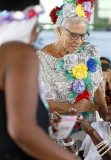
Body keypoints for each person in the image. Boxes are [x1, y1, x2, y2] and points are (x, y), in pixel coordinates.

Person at [0, 0, 76, 159]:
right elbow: (22, 131)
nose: (35, 34)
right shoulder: (19, 52)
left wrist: (41, 124)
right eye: (35, 26)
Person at [36, 1, 107, 140]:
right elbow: (37, 102)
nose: (78, 41)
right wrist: (73, 107)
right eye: (73, 35)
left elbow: (99, 96)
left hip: (88, 133)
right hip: (56, 134)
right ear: (59, 30)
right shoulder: (39, 60)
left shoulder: (88, 53)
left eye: (82, 35)